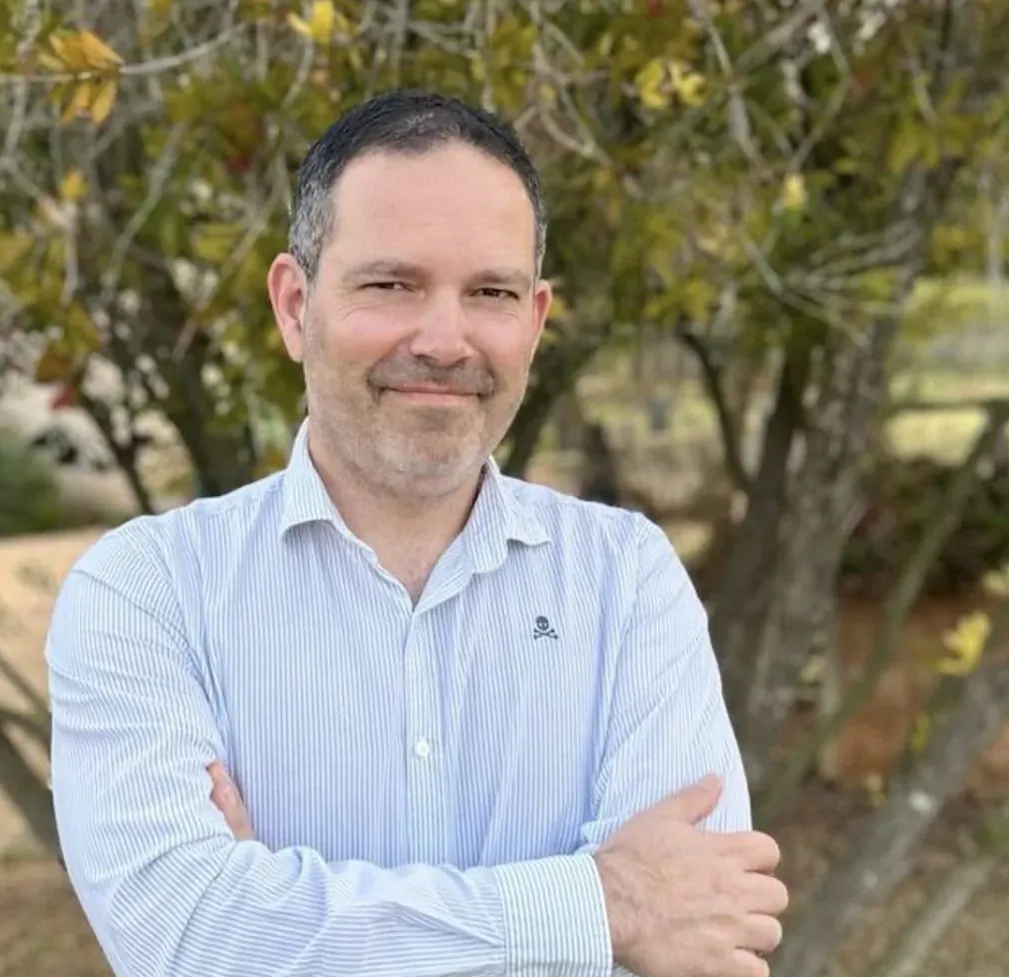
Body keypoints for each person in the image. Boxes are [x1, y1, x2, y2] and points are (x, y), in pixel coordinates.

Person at [44, 89, 788, 977]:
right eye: (392, 284)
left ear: (536, 320)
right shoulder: (148, 592)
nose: (445, 339)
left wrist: (284, 926)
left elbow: (698, 942)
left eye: (491, 292)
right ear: (293, 305)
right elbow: (194, 940)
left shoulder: (628, 580)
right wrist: (607, 904)